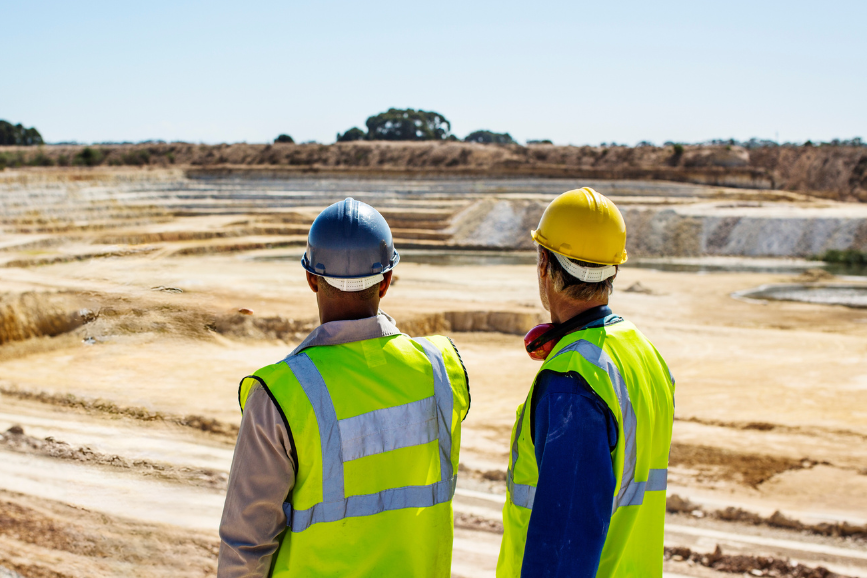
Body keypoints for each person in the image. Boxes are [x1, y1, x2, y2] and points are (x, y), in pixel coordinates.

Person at [218, 197, 471, 578]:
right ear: (386, 281)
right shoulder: (441, 368)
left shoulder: (280, 394)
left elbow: (245, 546)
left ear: (310, 278)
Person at [497, 187, 676, 578]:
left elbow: (563, 549)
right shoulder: (643, 354)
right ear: (614, 270)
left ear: (544, 263)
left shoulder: (572, 383)